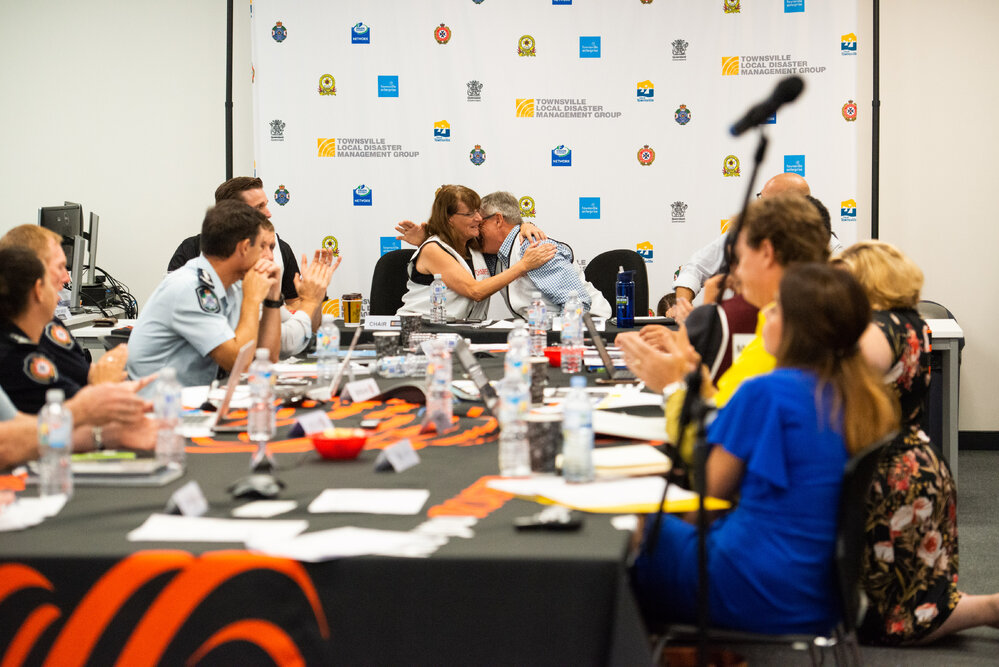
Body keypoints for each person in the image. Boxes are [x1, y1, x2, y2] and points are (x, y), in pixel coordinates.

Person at [632, 263, 897, 634]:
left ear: (796, 327)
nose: (764, 315)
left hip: (751, 587)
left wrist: (674, 388)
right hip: (823, 595)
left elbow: (708, 499)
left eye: (774, 310)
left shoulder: (766, 392)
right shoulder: (861, 394)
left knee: (630, 530)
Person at [834, 241, 999, 645]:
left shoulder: (875, 331)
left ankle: (991, 609)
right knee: (908, 600)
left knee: (898, 624)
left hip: (895, 476)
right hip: (913, 465)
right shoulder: (908, 321)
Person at [0, 247, 156, 467]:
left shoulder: (24, 343)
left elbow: (27, 433)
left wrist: (108, 436)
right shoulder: (14, 356)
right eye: (52, 279)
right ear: (38, 290)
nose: (62, 283)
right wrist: (89, 405)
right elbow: (8, 444)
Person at [127, 199, 281, 387]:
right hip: (161, 407)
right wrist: (252, 299)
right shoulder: (189, 288)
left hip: (197, 401)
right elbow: (238, 363)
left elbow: (267, 358)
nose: (270, 257)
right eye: (261, 247)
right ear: (244, 247)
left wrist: (273, 298)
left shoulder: (234, 285)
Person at [397, 185, 555, 319]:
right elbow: (475, 291)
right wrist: (524, 265)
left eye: (478, 212)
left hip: (464, 332)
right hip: (422, 329)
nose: (479, 218)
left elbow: (506, 233)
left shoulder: (475, 246)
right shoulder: (432, 249)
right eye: (470, 214)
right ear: (449, 218)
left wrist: (525, 225)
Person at [669, 172, 812, 320]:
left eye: (764, 202)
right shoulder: (746, 235)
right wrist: (682, 305)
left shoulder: (827, 246)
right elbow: (696, 267)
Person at [0, 225, 128, 387]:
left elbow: (83, 373)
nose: (67, 278)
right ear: (37, 283)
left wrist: (103, 375)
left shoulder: (51, 322)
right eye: (60, 267)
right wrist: (102, 383)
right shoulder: (14, 354)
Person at [168, 176, 303, 307]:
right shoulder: (189, 257)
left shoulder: (281, 249)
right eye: (259, 207)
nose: (268, 214)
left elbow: (292, 307)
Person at [478, 191, 611, 318]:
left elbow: (577, 304)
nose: (476, 232)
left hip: (589, 325)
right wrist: (525, 225)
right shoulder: (496, 253)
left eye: (479, 224)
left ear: (498, 220)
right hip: (544, 327)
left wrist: (559, 337)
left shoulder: (535, 248)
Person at [257, 221, 340, 357]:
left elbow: (306, 330)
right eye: (261, 247)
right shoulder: (241, 286)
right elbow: (285, 342)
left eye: (271, 248)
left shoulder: (267, 278)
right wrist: (310, 302)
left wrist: (317, 293)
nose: (270, 256)